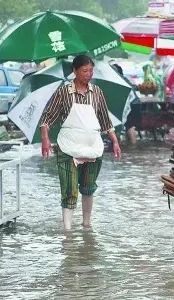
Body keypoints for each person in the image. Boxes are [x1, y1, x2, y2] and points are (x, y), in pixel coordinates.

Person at [40, 54, 122, 231]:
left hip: (93, 147)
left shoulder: (97, 92)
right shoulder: (64, 92)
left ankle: (86, 226)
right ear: (74, 71)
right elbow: (47, 118)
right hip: (68, 147)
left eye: (91, 70)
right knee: (69, 189)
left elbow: (105, 121)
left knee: (88, 188)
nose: (88, 74)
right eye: (85, 70)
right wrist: (45, 139)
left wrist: (115, 141)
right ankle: (67, 232)